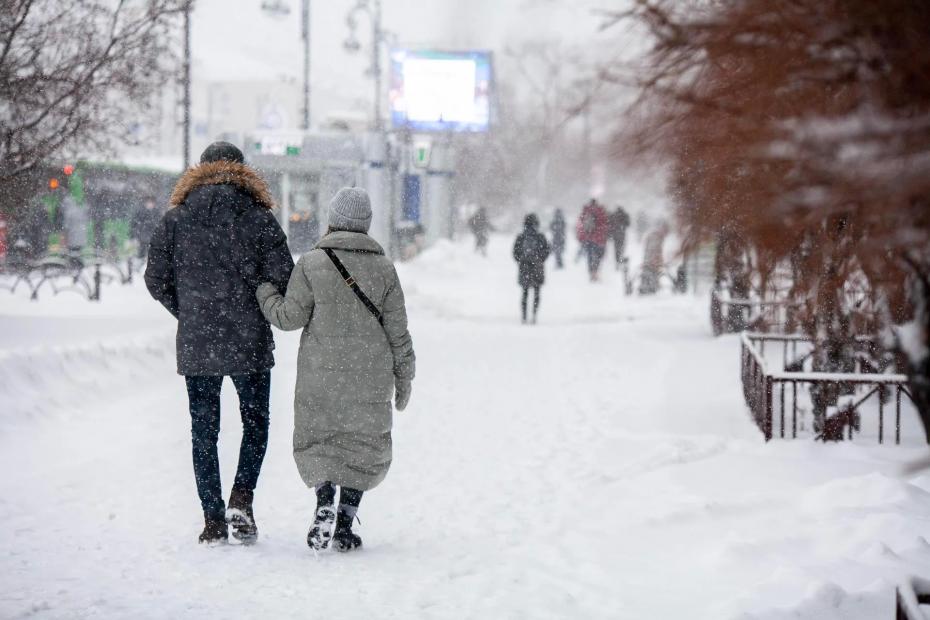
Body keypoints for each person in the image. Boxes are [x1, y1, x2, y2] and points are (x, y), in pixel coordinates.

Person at [144, 141, 295, 545]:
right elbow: (285, 277)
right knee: (256, 425)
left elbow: (155, 279)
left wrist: (191, 311)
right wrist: (254, 302)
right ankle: (241, 501)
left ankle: (212, 518)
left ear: (201, 170)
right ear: (243, 171)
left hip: (199, 343)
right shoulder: (259, 218)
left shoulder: (176, 219)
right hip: (249, 342)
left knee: (203, 431)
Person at [256, 187, 416, 553]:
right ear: (366, 223)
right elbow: (398, 332)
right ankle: (344, 524)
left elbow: (288, 317)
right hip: (371, 376)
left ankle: (324, 498)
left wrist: (265, 292)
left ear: (333, 219)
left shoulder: (312, 263)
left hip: (321, 375)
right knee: (362, 444)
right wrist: (404, 375)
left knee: (321, 441)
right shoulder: (385, 268)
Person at [513, 214, 551, 324]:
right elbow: (547, 251)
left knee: (524, 292)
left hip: (524, 266)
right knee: (537, 292)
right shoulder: (540, 237)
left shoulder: (521, 237)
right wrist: (540, 259)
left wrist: (521, 260)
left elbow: (515, 252)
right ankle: (534, 315)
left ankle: (524, 316)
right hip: (537, 267)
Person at [576, 199, 610, 281]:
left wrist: (581, 237)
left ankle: (591, 272)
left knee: (589, 256)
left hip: (587, 238)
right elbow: (605, 223)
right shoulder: (600, 211)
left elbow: (580, 224)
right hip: (598, 238)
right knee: (598, 256)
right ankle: (595, 272)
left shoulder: (586, 211)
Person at [609, 205, 631, 270]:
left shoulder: (614, 215)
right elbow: (628, 224)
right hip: (622, 234)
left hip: (615, 235)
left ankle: (617, 260)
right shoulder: (624, 215)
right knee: (621, 247)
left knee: (616, 249)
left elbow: (610, 224)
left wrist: (610, 234)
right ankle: (620, 258)